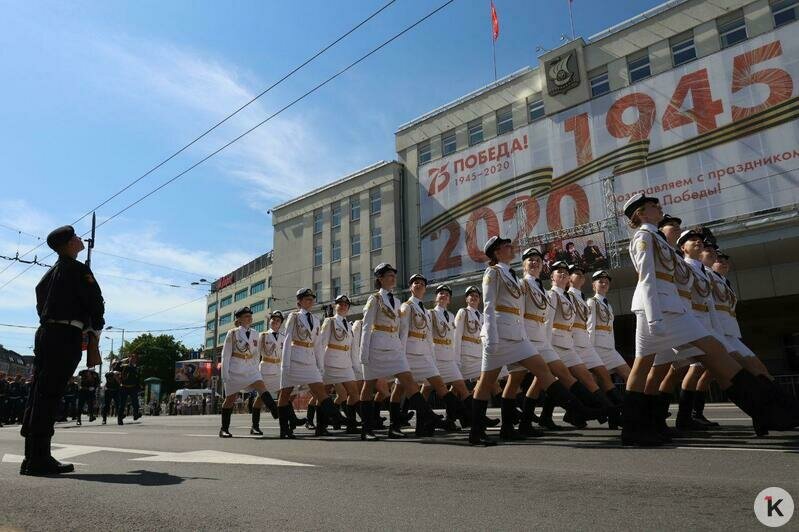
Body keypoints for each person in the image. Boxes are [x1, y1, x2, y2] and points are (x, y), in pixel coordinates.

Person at [621, 193, 799, 446]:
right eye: (653, 206)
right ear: (640, 213)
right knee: (652, 365)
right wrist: (654, 318)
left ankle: (637, 427)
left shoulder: (658, 239)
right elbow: (647, 277)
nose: (658, 208)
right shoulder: (644, 237)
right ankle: (775, 411)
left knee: (650, 365)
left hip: (667, 309)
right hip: (660, 310)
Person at [469, 237, 597, 446]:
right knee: (485, 384)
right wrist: (491, 339)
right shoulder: (492, 272)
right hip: (498, 335)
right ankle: (476, 433)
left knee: (543, 371)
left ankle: (577, 410)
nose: (511, 249)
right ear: (497, 252)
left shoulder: (511, 274)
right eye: (506, 247)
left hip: (518, 335)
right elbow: (489, 306)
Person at [21, 225, 105, 476]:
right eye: (76, 237)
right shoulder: (78, 269)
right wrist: (94, 329)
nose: (80, 239)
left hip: (47, 333)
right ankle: (39, 459)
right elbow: (94, 302)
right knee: (50, 394)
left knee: (40, 393)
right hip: (65, 335)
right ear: (69, 244)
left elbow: (39, 296)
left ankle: (32, 456)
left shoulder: (51, 273)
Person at [359, 264, 437, 441]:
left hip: (394, 347)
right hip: (376, 346)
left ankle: (404, 423)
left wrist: (401, 349)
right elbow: (366, 326)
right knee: (368, 386)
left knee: (409, 382)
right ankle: (366, 429)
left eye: (394, 275)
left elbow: (401, 328)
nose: (393, 278)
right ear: (380, 278)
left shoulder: (397, 301)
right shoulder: (374, 299)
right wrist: (363, 353)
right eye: (389, 275)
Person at [278, 289, 345, 439]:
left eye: (312, 299)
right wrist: (285, 365)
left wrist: (320, 365)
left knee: (320, 392)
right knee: (285, 395)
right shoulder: (293, 317)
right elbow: (287, 341)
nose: (310, 301)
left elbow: (318, 344)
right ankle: (284, 429)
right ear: (300, 302)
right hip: (294, 360)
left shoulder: (315, 319)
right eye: (307, 299)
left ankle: (335, 416)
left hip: (309, 361)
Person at [219, 307, 278, 437]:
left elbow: (256, 354)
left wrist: (256, 369)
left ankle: (275, 410)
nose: (249, 318)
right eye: (246, 316)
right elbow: (226, 355)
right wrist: (225, 375)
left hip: (251, 369)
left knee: (262, 387)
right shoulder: (233, 333)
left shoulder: (255, 333)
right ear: (239, 319)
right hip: (235, 370)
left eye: (250, 316)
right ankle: (224, 429)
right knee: (230, 399)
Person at [317, 295, 360, 434]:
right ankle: (321, 426)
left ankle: (351, 424)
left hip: (346, 363)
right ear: (335, 306)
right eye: (340, 304)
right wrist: (320, 366)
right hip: (330, 362)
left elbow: (352, 348)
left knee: (354, 394)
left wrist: (355, 366)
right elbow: (322, 343)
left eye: (346, 305)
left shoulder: (349, 325)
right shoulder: (330, 321)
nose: (343, 306)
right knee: (324, 394)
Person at [586, 271, 630, 381]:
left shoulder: (608, 305)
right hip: (597, 348)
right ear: (593, 285)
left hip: (609, 348)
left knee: (627, 374)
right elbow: (590, 326)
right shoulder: (592, 302)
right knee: (596, 381)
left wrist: (612, 345)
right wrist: (590, 351)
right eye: (601, 282)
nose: (604, 284)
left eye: (606, 282)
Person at [255, 311, 285, 433]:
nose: (275, 322)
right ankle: (255, 426)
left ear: (281, 323)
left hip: (278, 368)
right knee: (260, 398)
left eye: (278, 320)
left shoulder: (283, 337)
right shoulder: (263, 335)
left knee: (283, 395)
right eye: (273, 319)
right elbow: (256, 354)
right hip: (266, 368)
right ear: (269, 321)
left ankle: (285, 424)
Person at [118, 354, 142, 425]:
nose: (133, 359)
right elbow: (116, 367)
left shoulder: (136, 368)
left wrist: (139, 387)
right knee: (122, 404)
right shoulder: (124, 366)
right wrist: (121, 361)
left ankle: (135, 415)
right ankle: (119, 419)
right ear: (129, 359)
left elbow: (137, 378)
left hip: (133, 388)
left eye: (134, 358)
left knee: (135, 403)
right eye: (131, 358)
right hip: (124, 387)